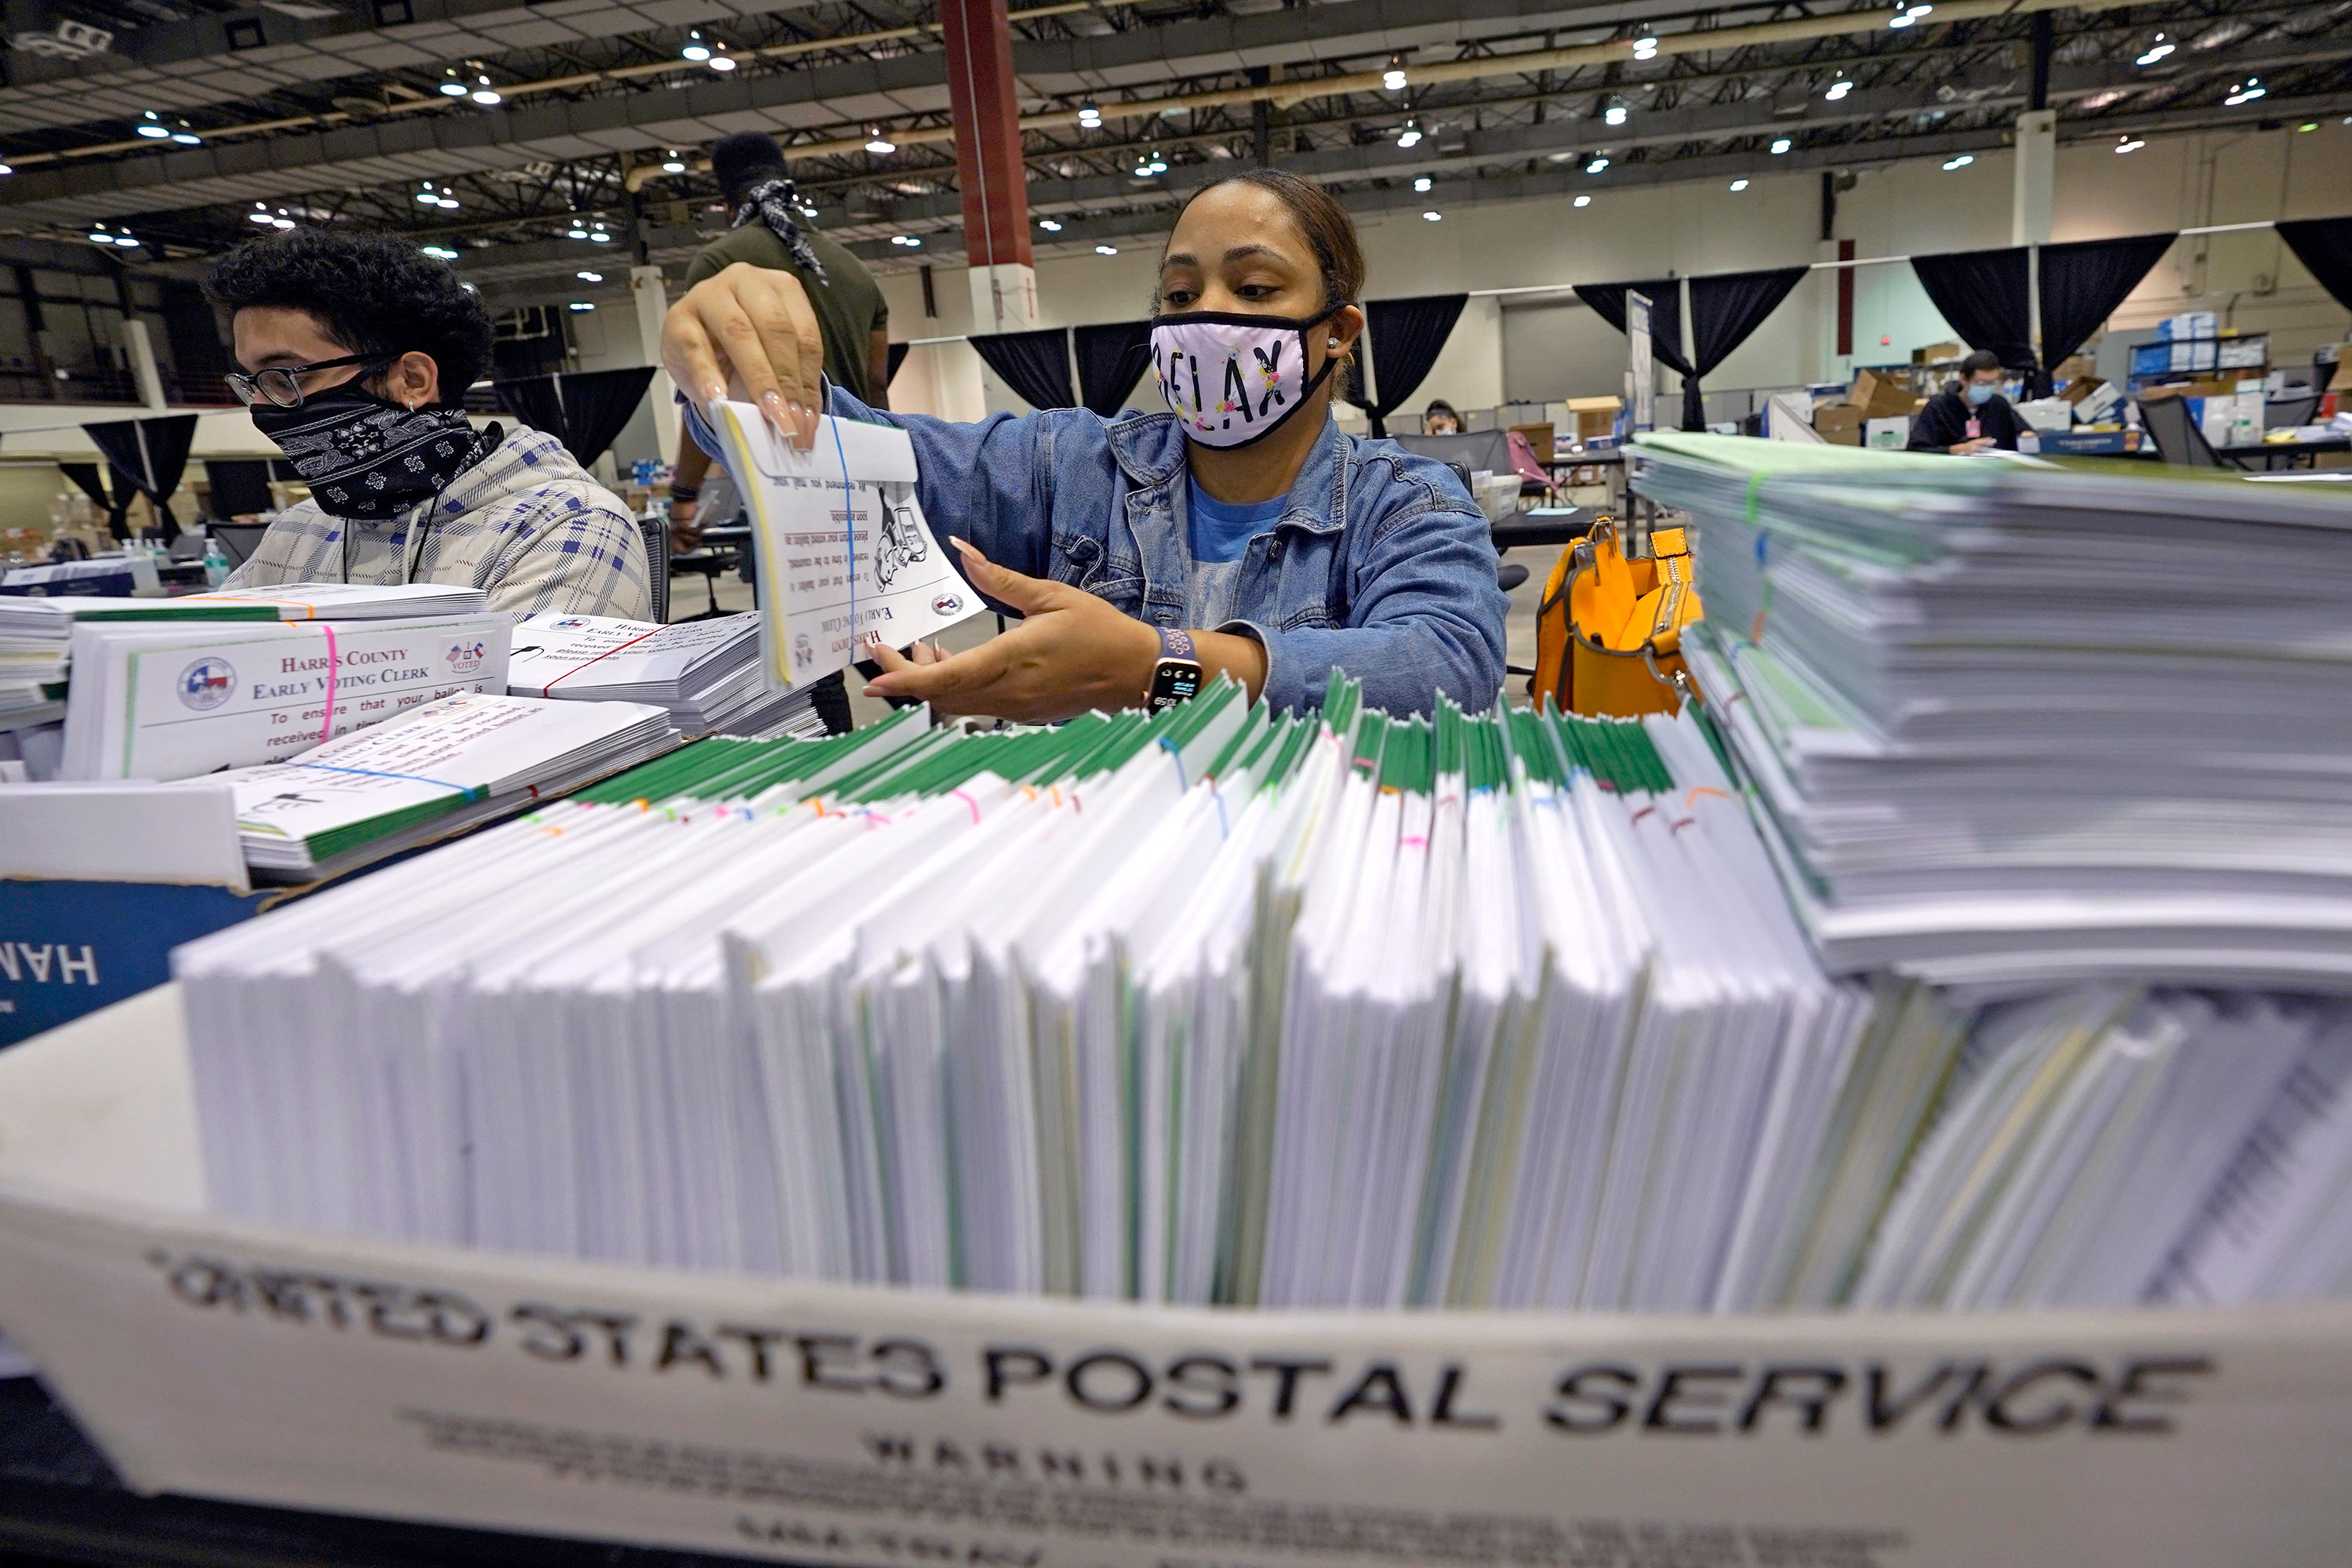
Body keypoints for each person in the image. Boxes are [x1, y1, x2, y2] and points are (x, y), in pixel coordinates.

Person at [662, 169, 1506, 721]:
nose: (1205, 316)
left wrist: (1158, 667)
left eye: (1253, 288)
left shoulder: (1408, 501)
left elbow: (1445, 667)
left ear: (1337, 334)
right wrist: (738, 384)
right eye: (1179, 294)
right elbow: (861, 457)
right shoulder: (1067, 466)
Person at [207, 228, 652, 618]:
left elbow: (512, 709)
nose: (262, 405)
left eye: (286, 374)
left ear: (413, 380)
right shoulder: (299, 529)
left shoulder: (563, 524)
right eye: (252, 381)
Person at [667, 131, 891, 556]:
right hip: (861, 482)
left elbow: (706, 392)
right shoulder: (855, 270)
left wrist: (684, 495)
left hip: (785, 490)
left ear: (728, 203)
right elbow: (877, 385)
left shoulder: (720, 265)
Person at [1907, 350, 2026, 454]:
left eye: (1992, 383)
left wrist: (2028, 437)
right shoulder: (1938, 408)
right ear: (1963, 379)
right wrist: (1955, 450)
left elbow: (2023, 432)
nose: (1987, 388)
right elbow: (1916, 450)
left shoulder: (1999, 405)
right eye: (1981, 383)